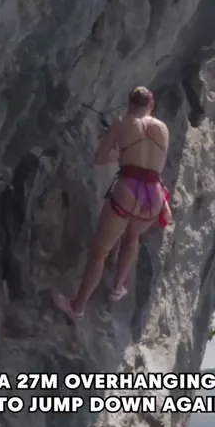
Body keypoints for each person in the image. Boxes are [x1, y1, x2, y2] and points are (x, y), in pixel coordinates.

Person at [53, 87, 171, 322]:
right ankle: (118, 287)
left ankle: (77, 307)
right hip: (154, 196)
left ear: (129, 103)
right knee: (132, 238)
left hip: (128, 191)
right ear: (152, 104)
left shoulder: (121, 123)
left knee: (99, 252)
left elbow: (99, 158)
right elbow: (151, 160)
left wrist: (119, 150)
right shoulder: (163, 129)